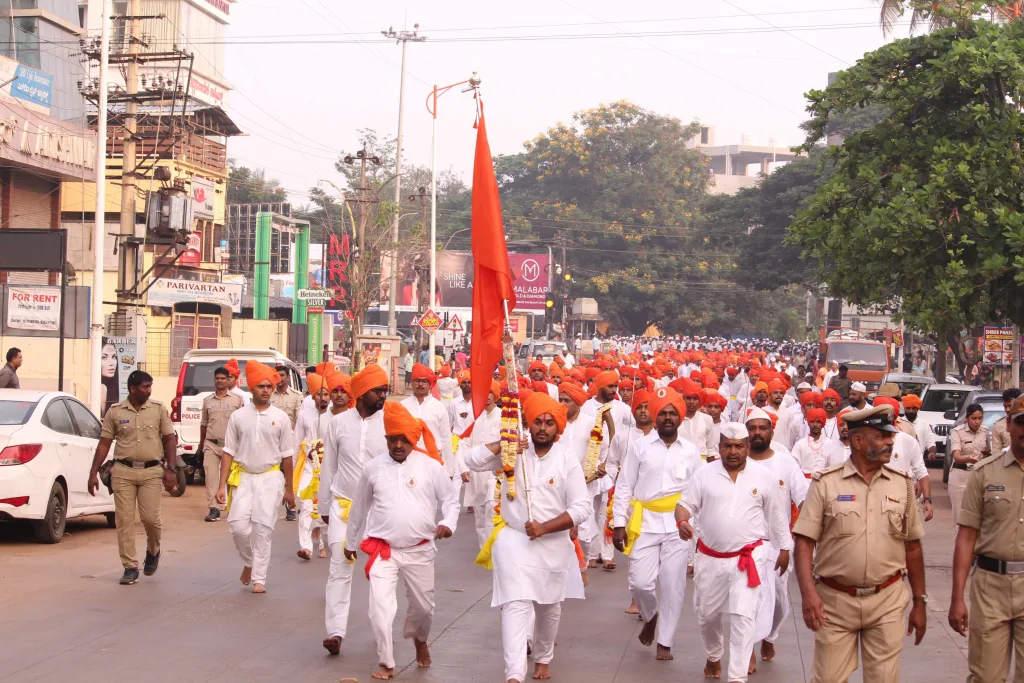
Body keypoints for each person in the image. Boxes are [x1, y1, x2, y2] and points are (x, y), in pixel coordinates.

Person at [792, 404, 928, 683]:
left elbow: (913, 547)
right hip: (835, 602)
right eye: (880, 436)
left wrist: (919, 602)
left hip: (887, 600)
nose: (890, 441)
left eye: (889, 435)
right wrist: (808, 595)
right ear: (857, 440)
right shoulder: (826, 484)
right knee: (828, 679)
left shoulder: (901, 484)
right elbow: (804, 543)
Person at [464, 392, 592, 683]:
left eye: (549, 422)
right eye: (537, 422)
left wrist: (546, 527)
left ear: (558, 429)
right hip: (514, 542)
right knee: (515, 604)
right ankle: (514, 675)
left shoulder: (566, 461)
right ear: (528, 425)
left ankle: (543, 657)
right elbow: (471, 461)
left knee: (548, 607)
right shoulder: (512, 452)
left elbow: (582, 507)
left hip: (553, 545)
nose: (543, 428)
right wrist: (503, 444)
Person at [343, 402, 459, 680]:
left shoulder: (431, 467)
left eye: (403, 439)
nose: (398, 444)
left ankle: (420, 640)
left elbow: (451, 500)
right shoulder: (372, 468)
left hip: (420, 551)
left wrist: (447, 523)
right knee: (380, 609)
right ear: (385, 439)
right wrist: (349, 543)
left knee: (423, 610)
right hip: (384, 552)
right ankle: (386, 661)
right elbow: (359, 507)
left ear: (413, 438)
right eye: (392, 439)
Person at [675, 422, 792, 683]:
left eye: (739, 446)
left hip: (748, 558)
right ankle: (714, 654)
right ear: (719, 447)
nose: (733, 451)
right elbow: (684, 504)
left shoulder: (763, 476)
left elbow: (776, 516)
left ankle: (737, 677)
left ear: (747, 447)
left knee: (743, 616)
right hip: (710, 558)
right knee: (708, 615)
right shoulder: (704, 474)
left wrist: (784, 548)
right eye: (727, 445)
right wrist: (682, 522)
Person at [612, 387, 703, 661]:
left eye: (672, 413)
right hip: (645, 522)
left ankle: (665, 641)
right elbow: (625, 485)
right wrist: (618, 523)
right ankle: (650, 615)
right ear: (654, 415)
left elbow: (699, 492)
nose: (667, 417)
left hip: (679, 525)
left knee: (673, 583)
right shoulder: (639, 447)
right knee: (640, 583)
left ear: (680, 417)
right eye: (662, 412)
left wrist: (695, 525)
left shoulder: (691, 451)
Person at [949, 394, 1024, 681]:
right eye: (1021, 422)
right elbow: (966, 537)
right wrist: (957, 597)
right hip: (990, 587)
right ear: (1009, 424)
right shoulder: (984, 473)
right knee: (985, 675)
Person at [319, 364, 390, 656]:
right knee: (339, 566)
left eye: (385, 390)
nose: (383, 396)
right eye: (378, 391)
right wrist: (324, 506)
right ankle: (336, 632)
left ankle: (382, 631)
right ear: (360, 393)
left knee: (381, 574)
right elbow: (329, 467)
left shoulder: (390, 423)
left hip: (380, 510)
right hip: (343, 505)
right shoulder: (337, 423)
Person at [87, 370, 177, 585]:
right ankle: (130, 567)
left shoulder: (158, 409)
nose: (149, 390)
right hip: (123, 472)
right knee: (124, 521)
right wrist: (92, 473)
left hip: (151, 472)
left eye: (150, 386)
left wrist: (171, 469)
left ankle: (153, 550)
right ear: (133, 388)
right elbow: (104, 444)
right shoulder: (115, 412)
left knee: (151, 520)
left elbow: (169, 440)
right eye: (145, 387)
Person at [216, 360, 295, 594]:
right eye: (261, 386)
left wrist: (290, 490)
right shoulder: (238, 417)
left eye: (269, 386)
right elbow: (228, 451)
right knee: (238, 527)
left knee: (263, 529)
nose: (266, 390)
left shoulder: (280, 417)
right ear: (251, 388)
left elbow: (287, 456)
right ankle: (249, 562)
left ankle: (259, 577)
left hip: (270, 478)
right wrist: (221, 486)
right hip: (243, 478)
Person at [745, 408, 808, 668]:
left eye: (762, 428)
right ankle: (746, 648)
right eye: (752, 428)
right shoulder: (738, 461)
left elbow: (803, 499)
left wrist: (808, 536)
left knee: (779, 602)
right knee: (749, 599)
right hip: (746, 544)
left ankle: (770, 634)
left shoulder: (785, 462)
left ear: (772, 431)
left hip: (778, 544)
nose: (757, 433)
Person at [292, 372, 333, 560]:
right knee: (307, 506)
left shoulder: (335, 415)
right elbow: (296, 442)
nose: (323, 398)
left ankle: (324, 541)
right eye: (319, 394)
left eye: (326, 394)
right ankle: (306, 547)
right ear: (312, 395)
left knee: (325, 507)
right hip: (309, 467)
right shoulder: (305, 415)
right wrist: (292, 471)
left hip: (329, 469)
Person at [199, 367, 245, 522]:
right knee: (210, 477)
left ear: (229, 380)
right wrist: (201, 445)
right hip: (211, 444)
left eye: (223, 378)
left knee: (232, 478)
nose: (219, 381)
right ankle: (214, 509)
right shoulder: (207, 400)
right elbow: (204, 424)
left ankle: (233, 508)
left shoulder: (237, 400)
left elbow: (243, 424)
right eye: (217, 378)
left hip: (231, 446)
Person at [401, 364, 457, 482]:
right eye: (417, 381)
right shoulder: (402, 406)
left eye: (424, 381)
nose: (420, 384)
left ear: (430, 384)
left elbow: (446, 438)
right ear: (412, 382)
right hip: (407, 460)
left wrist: (449, 470)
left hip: (433, 460)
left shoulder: (439, 407)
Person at [463, 380, 502, 548]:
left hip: (495, 473)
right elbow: (465, 442)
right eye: (484, 394)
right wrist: (464, 468)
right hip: (476, 472)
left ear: (496, 395)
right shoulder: (474, 415)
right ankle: (483, 549)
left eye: (490, 393)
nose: (487, 397)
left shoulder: (503, 416)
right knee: (479, 515)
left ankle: (495, 549)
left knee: (493, 513)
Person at [949, 403, 992, 531]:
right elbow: (956, 456)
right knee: (959, 517)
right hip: (960, 475)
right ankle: (958, 549)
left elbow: (988, 452)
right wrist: (969, 458)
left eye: (980, 418)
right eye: (974, 418)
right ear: (967, 418)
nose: (977, 422)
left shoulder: (984, 431)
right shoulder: (957, 432)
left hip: (978, 476)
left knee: (977, 516)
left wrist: (985, 458)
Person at [991, 387, 1022, 454]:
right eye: (1005, 406)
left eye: (1010, 405)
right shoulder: (999, 426)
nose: (1007, 409)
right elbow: (996, 455)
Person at [100, 341, 119, 417]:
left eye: (114, 357)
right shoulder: (101, 388)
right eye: (104, 357)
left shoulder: (110, 389)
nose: (112, 363)